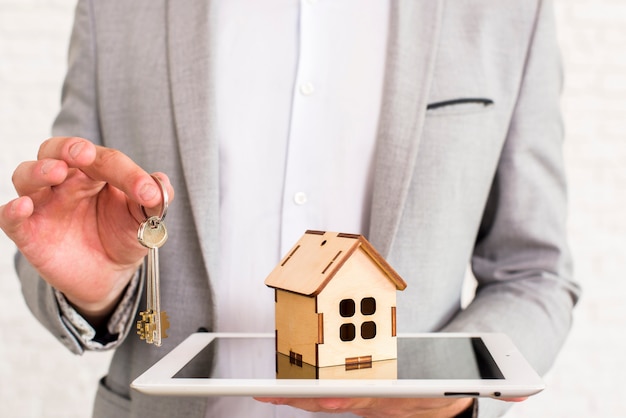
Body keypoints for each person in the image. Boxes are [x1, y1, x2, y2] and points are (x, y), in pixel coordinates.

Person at [0, 0, 581, 417]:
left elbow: (535, 274)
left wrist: (453, 388)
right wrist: (94, 293)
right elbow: (62, 218)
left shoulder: (511, 11)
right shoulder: (116, 9)